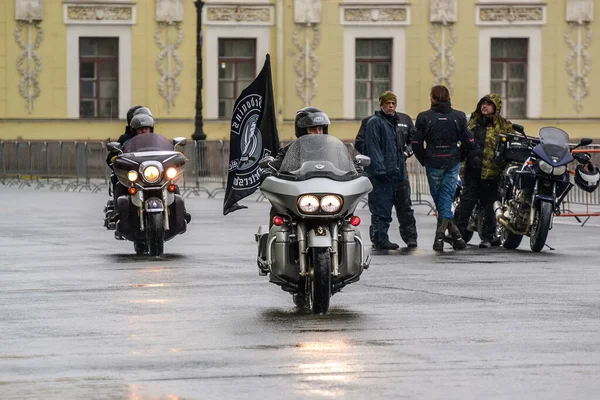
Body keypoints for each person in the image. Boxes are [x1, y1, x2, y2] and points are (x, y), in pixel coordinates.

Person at [413, 85, 473, 252]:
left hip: (433, 162)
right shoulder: (459, 116)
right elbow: (469, 141)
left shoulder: (424, 117)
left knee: (441, 199)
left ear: (432, 98)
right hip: (452, 161)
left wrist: (424, 158)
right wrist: (459, 156)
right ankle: (457, 237)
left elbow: (416, 142)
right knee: (445, 198)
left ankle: (439, 237)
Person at [454, 93, 513, 248]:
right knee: (466, 201)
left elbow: (510, 147)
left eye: (488, 104)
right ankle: (457, 234)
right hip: (471, 169)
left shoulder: (504, 125)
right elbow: (462, 140)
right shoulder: (472, 121)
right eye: (483, 103)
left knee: (489, 204)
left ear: (496, 107)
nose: (484, 106)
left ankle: (487, 237)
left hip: (492, 172)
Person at [355, 103, 418, 248]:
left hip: (399, 170)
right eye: (387, 103)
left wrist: (406, 152)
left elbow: (413, 140)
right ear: (382, 104)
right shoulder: (371, 122)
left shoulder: (404, 120)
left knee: (405, 206)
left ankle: (410, 237)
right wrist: (377, 155)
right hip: (380, 172)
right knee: (380, 206)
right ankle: (379, 238)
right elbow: (360, 142)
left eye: (393, 103)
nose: (391, 106)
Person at [264, 107, 331, 227]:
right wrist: (268, 171)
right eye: (313, 129)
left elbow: (347, 166)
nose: (318, 133)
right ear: (302, 131)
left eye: (320, 129)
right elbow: (275, 165)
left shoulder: (332, 150)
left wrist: (356, 170)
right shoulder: (290, 149)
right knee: (278, 212)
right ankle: (274, 241)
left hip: (326, 197)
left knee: (347, 221)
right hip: (298, 197)